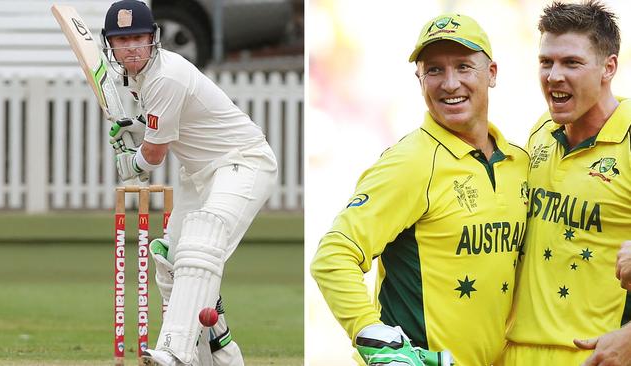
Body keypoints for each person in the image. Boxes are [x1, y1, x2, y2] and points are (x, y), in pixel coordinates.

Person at [310, 13, 529, 366]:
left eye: (463, 66)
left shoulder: (520, 163)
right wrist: (373, 336)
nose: (450, 83)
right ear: (419, 79)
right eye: (434, 70)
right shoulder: (409, 163)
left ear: (491, 74)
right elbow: (333, 256)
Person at [101, 1, 278, 365]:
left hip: (241, 163)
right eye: (123, 40)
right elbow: (164, 126)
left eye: (138, 38)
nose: (132, 47)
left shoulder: (165, 75)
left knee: (200, 244)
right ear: (112, 46)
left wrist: (128, 162)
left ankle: (174, 351)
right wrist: (135, 127)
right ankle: (221, 359)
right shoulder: (139, 79)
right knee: (169, 259)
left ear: (153, 39)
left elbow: (152, 156)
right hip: (199, 174)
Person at [498, 2, 631, 365]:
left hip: (592, 354)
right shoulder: (542, 130)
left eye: (571, 63)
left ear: (609, 67)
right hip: (512, 351)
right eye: (546, 62)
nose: (554, 76)